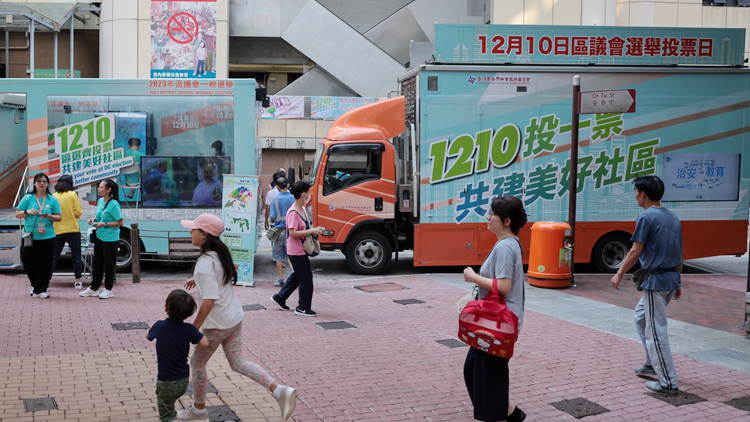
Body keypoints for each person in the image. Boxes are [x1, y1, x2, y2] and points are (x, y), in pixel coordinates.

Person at [178, 214, 297, 421]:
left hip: (218, 324)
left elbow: (209, 300)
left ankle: (199, 411)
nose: (190, 232)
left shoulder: (205, 263)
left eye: (193, 229)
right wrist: (196, 279)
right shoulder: (219, 254)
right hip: (234, 318)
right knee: (238, 362)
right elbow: (217, 279)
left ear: (204, 235)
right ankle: (280, 391)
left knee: (196, 364)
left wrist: (193, 329)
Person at [611, 175, 683, 396]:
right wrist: (678, 282)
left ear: (643, 194)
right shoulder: (672, 217)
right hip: (669, 279)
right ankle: (652, 361)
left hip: (655, 281)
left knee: (656, 331)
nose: (635, 196)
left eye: (635, 192)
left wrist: (619, 273)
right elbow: (679, 253)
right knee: (641, 316)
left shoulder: (646, 217)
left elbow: (635, 250)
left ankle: (668, 382)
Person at [461, 196, 527, 422]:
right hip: (494, 322)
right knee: (474, 371)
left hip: (499, 324)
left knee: (491, 378)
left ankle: (502, 415)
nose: (487, 217)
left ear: (506, 220)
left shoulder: (507, 246)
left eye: (492, 214)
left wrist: (474, 277)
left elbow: (505, 286)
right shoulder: (506, 244)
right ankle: (510, 412)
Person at [148, 289, 209, 422]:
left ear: (165, 308)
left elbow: (148, 335)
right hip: (183, 380)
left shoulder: (159, 325)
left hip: (166, 381)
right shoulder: (188, 329)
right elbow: (204, 343)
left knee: (167, 416)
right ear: (188, 314)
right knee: (169, 405)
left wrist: (157, 323)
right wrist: (194, 333)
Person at [271, 181, 324, 317]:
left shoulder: (301, 209)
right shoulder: (293, 212)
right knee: (306, 280)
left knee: (296, 276)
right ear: (303, 194)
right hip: (296, 251)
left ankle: (280, 298)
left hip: (298, 250)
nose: (310, 195)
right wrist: (311, 231)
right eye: (308, 192)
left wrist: (312, 231)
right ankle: (302, 307)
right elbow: (293, 233)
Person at [16, 173, 62, 299]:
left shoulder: (52, 200)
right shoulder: (28, 198)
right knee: (27, 262)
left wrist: (49, 216)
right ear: (35, 183)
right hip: (29, 236)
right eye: (39, 181)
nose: (41, 183)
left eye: (44, 181)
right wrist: (27, 212)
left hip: (47, 237)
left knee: (45, 264)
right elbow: (17, 214)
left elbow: (59, 217)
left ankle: (40, 290)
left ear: (48, 184)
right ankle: (36, 285)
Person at [80, 178, 124, 299]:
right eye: (98, 187)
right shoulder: (100, 201)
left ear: (108, 190)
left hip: (110, 239)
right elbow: (100, 216)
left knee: (109, 265)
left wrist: (104, 224)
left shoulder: (114, 204)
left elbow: (120, 222)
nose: (98, 189)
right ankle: (94, 288)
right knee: (97, 263)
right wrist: (93, 220)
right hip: (99, 236)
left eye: (101, 187)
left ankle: (108, 289)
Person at [50, 174, 84, 289]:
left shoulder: (53, 196)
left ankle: (46, 281)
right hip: (72, 229)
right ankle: (78, 281)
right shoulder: (72, 194)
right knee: (76, 256)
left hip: (57, 229)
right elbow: (78, 212)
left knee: (53, 256)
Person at [268, 177, 294, 287]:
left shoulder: (275, 199)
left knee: (279, 257)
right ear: (288, 185)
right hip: (291, 232)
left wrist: (272, 220)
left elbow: (272, 217)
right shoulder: (293, 198)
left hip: (279, 231)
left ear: (277, 187)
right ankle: (295, 274)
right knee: (290, 255)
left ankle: (281, 280)